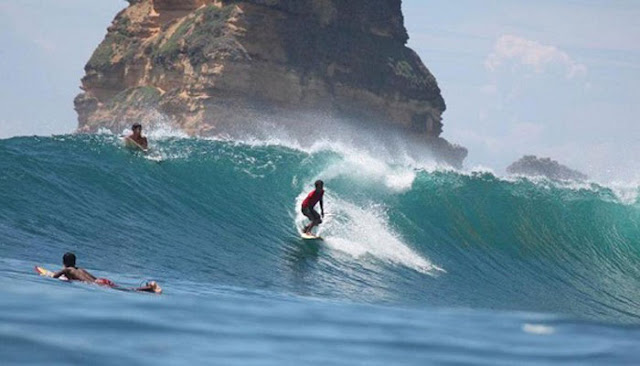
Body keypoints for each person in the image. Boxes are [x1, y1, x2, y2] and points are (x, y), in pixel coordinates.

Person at [53, 252, 161, 293]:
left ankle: (151, 287)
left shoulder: (68, 270)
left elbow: (54, 276)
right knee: (124, 288)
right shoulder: (80, 269)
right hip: (101, 280)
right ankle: (149, 288)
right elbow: (91, 278)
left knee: (128, 290)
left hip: (98, 284)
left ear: (64, 262)